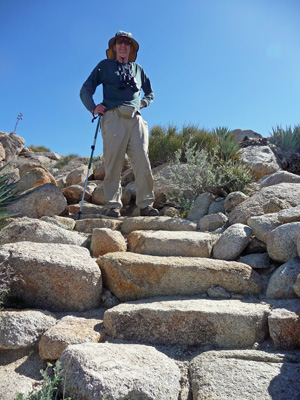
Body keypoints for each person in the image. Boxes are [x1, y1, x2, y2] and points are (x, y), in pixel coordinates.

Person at [80, 30, 159, 218]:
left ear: (131, 48)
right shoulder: (104, 66)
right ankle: (113, 206)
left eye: (127, 43)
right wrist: (93, 108)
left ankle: (146, 205)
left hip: (136, 119)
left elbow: (150, 92)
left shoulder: (138, 69)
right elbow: (86, 89)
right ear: (114, 47)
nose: (123, 45)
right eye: (120, 42)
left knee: (142, 161)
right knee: (113, 163)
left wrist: (144, 102)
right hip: (113, 117)